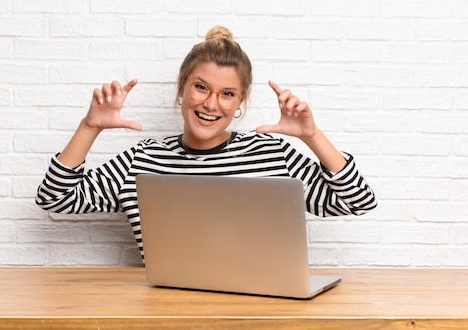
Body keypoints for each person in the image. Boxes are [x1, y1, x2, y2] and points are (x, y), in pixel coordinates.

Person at [36, 25, 377, 259]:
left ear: (240, 102)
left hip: (261, 311)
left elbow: (357, 200)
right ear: (182, 87)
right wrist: (89, 126)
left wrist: (312, 136)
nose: (212, 104)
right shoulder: (142, 160)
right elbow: (55, 198)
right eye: (201, 87)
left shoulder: (274, 156)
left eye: (227, 94)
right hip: (167, 312)